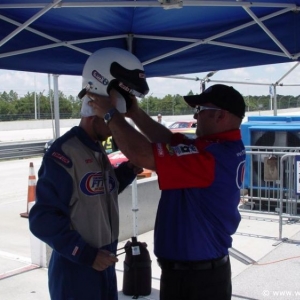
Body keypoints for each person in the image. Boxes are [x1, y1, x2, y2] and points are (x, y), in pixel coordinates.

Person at [88, 83, 246, 300]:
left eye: (200, 111)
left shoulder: (210, 158)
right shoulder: (217, 148)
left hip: (196, 282)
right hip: (195, 274)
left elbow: (141, 155)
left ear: (220, 116)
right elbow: (169, 140)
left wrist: (111, 114)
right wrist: (135, 113)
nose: (195, 116)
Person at [29, 47, 148, 300]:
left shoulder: (97, 149)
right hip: (77, 268)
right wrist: (85, 254)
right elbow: (42, 218)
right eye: (112, 119)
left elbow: (100, 188)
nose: (117, 127)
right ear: (95, 112)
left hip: (103, 261)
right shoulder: (64, 153)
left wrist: (127, 170)